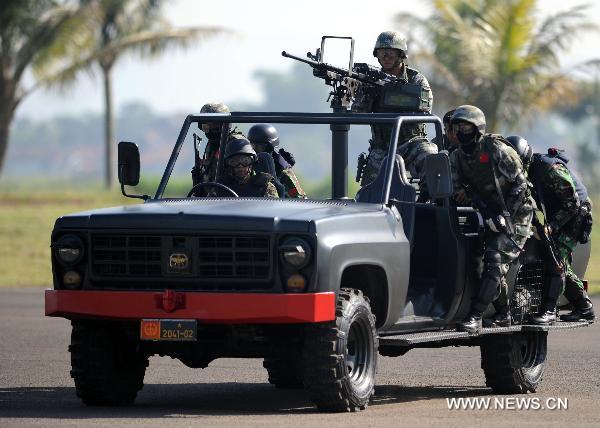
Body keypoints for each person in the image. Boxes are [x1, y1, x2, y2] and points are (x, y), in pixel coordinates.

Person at [449, 105, 534, 334]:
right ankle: (504, 314)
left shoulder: (496, 149)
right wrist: (467, 197)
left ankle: (475, 316)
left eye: (465, 127)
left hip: (518, 213)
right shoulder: (457, 157)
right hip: (489, 212)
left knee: (495, 259)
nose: (460, 132)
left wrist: (506, 216)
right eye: (457, 127)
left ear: (477, 129)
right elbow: (457, 189)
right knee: (485, 265)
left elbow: (520, 185)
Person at [506, 136, 594, 323]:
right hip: (557, 214)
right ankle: (584, 307)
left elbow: (572, 204)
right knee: (560, 263)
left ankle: (547, 311)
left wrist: (551, 227)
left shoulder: (550, 169)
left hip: (575, 214)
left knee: (555, 262)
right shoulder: (523, 172)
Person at [352, 30, 437, 187]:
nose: (385, 58)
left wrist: (391, 93)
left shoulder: (416, 79)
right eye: (381, 53)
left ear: (401, 55)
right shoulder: (370, 80)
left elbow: (425, 107)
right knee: (369, 191)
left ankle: (432, 204)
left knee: (431, 160)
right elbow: (357, 112)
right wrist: (368, 93)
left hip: (412, 143)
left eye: (390, 53)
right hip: (382, 147)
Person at [247, 124, 307, 198]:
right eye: (251, 146)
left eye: (259, 146)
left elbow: (299, 200)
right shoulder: (244, 166)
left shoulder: (283, 171)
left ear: (269, 147)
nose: (254, 150)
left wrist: (277, 180)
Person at [192, 102, 244, 185]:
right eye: (206, 125)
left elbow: (244, 177)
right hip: (213, 195)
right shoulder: (213, 144)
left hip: (231, 195)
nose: (209, 129)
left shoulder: (237, 144)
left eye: (214, 124)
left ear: (224, 124)